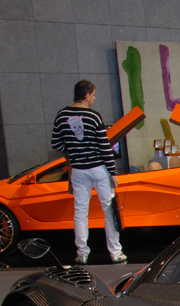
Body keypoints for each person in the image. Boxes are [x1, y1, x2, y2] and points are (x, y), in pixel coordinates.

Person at [50, 79, 125, 264]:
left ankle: (82, 253)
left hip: (78, 170)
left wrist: (73, 150)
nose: (94, 98)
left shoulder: (61, 115)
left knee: (80, 211)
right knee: (109, 210)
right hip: (99, 169)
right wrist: (113, 172)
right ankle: (115, 252)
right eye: (93, 95)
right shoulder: (94, 116)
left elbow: (56, 143)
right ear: (86, 95)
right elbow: (104, 146)